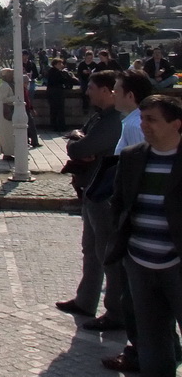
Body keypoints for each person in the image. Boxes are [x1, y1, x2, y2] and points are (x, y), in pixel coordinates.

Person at [107, 95, 182, 377]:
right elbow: (119, 202)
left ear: (176, 124)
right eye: (142, 118)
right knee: (152, 340)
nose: (144, 125)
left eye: (152, 120)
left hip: (176, 263)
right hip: (139, 262)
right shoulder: (132, 156)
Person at [56, 71, 125, 330]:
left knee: (106, 253)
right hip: (90, 188)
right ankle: (86, 300)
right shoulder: (99, 116)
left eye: (92, 87)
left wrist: (80, 143)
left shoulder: (114, 121)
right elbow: (76, 140)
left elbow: (80, 147)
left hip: (104, 193)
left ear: (107, 90)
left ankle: (115, 311)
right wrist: (78, 141)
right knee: (90, 249)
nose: (87, 91)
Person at [114, 69, 154, 155]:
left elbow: (138, 164)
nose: (112, 95)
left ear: (130, 95)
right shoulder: (139, 121)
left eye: (116, 91)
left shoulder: (135, 126)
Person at [45, 57, 77, 133]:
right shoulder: (57, 72)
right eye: (60, 63)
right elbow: (63, 80)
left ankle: (54, 126)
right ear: (56, 64)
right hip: (57, 92)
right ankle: (61, 126)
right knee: (59, 110)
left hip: (51, 92)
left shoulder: (51, 71)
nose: (61, 65)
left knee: (53, 110)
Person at [0, 68, 16, 160]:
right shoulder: (4, 85)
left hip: (11, 109)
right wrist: (16, 98)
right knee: (6, 132)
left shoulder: (11, 84)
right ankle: (7, 153)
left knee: (12, 132)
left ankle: (13, 151)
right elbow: (3, 99)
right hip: (5, 110)